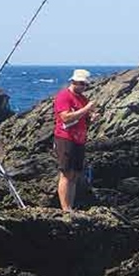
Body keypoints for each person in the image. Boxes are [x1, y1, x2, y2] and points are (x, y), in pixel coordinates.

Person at [53, 69, 98, 211]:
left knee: (74, 175)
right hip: (65, 138)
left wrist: (92, 119)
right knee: (66, 173)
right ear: (73, 82)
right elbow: (65, 117)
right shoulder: (64, 96)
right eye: (80, 84)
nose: (83, 87)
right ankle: (65, 208)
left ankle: (70, 207)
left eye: (85, 85)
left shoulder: (83, 99)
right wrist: (86, 109)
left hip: (79, 140)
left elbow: (83, 121)